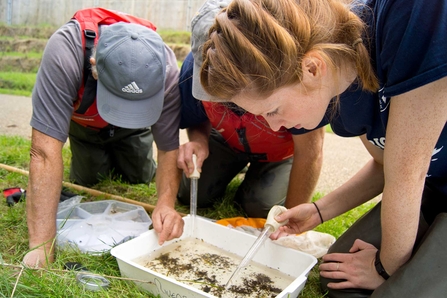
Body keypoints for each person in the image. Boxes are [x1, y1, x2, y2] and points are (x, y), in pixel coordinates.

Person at [197, 0, 447, 297]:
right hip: (430, 188)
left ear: (312, 68)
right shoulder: (336, 89)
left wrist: (384, 269)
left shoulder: (411, 14)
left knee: (393, 291)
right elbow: (386, 165)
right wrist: (319, 211)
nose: (275, 127)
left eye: (273, 109)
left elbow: (409, 173)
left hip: (419, 182)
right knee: (337, 280)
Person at [23, 8, 184, 268]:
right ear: (94, 67)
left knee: (140, 174)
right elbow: (44, 153)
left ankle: (129, 146)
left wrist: (165, 204)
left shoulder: (164, 68)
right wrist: (42, 246)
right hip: (85, 124)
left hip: (135, 127)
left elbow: (168, 148)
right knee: (88, 178)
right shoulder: (66, 52)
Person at [177, 1, 324, 218]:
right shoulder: (191, 70)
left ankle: (258, 178)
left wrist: (291, 218)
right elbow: (195, 117)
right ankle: (234, 167)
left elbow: (310, 152)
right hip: (226, 140)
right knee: (193, 194)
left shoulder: (286, 70)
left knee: (260, 208)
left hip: (280, 152)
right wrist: (198, 141)